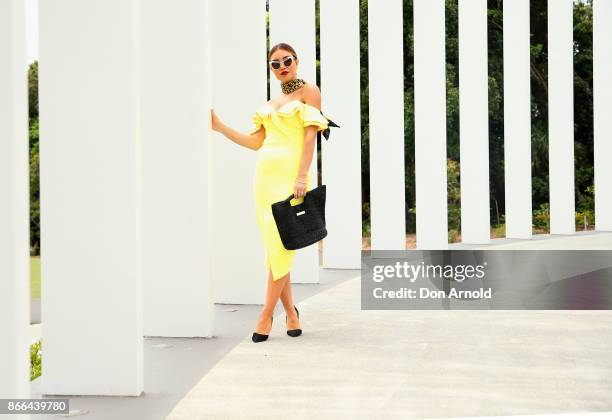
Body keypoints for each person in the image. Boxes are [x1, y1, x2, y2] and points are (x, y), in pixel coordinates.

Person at [210, 42, 330, 343]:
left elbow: (309, 138)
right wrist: (221, 127)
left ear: (297, 61)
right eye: (275, 64)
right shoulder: (272, 101)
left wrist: (303, 176)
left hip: (290, 178)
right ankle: (291, 314)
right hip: (263, 180)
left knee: (280, 247)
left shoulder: (309, 92)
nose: (282, 67)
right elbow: (255, 143)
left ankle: (265, 317)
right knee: (277, 249)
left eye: (286, 61)